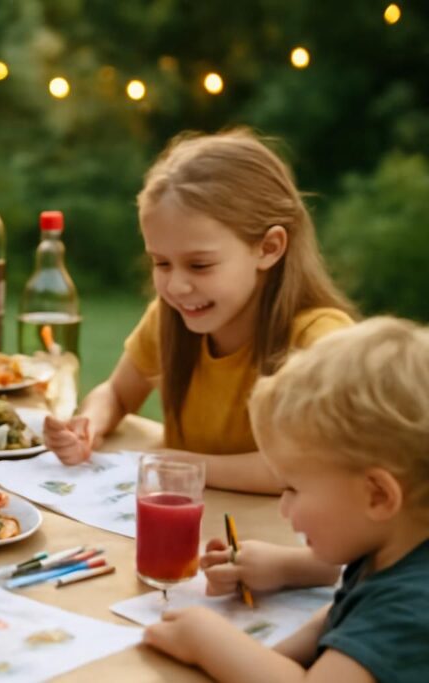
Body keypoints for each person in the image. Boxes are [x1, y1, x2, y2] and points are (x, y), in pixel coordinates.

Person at [44, 128, 355, 493]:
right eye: (161, 263)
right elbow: (117, 393)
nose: (176, 286)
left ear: (269, 248)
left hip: (274, 540)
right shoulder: (167, 318)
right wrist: (89, 425)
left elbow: (300, 468)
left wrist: (180, 465)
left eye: (200, 265)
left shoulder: (319, 342)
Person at [144, 317, 429, 682]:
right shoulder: (390, 547)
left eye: (293, 488)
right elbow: (336, 618)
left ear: (377, 496)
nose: (283, 508)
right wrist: (267, 658)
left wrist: (207, 639)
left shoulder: (412, 608)